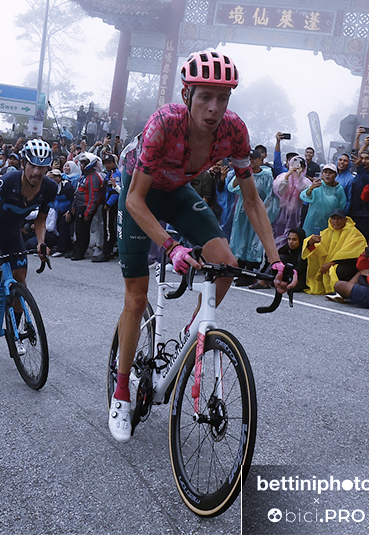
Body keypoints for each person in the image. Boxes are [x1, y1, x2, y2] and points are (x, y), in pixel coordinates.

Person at [109, 49, 294, 443]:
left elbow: (251, 200)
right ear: (186, 94)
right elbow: (135, 200)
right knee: (136, 298)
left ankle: (191, 337)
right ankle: (121, 392)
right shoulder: (164, 123)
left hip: (177, 192)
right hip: (138, 194)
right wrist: (172, 247)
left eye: (222, 98)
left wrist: (276, 260)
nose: (214, 108)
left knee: (225, 263)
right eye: (205, 97)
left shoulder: (234, 131)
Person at [0, 139, 56, 327]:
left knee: (20, 280)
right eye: (32, 165)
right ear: (23, 163)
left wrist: (41, 243)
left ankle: (15, 331)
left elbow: (40, 220)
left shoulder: (50, 187)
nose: (37, 172)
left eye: (42, 167)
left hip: (12, 233)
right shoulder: (7, 182)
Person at [228, 150, 278, 282]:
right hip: (242, 210)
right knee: (240, 238)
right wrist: (240, 175)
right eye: (249, 159)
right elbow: (231, 187)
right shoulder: (244, 173)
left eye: (254, 158)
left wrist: (264, 213)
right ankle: (239, 269)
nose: (251, 161)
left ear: (261, 160)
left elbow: (270, 196)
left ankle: (250, 272)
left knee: (255, 240)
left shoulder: (267, 176)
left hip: (258, 211)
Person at [301, 210, 367, 295]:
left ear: (345, 220)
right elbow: (316, 248)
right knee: (308, 259)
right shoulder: (327, 232)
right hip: (329, 263)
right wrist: (311, 243)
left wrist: (332, 263)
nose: (336, 221)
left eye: (339, 218)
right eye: (333, 218)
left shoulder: (354, 233)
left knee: (340, 270)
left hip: (347, 264)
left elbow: (352, 254)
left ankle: (340, 289)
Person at [299, 163, 347, 236]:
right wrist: (310, 189)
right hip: (312, 222)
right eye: (325, 172)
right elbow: (305, 196)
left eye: (331, 173)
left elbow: (341, 206)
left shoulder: (339, 189)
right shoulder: (317, 185)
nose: (328, 175)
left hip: (329, 222)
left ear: (335, 175)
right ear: (322, 174)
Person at [272, 154, 308, 248]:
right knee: (275, 236)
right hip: (279, 213)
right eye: (294, 164)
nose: (296, 167)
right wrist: (288, 175)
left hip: (295, 216)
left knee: (290, 239)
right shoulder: (282, 177)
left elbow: (304, 193)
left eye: (300, 165)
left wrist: (299, 178)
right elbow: (280, 191)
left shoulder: (305, 181)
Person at [93, 154, 121, 262]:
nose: (107, 165)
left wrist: (108, 204)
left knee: (108, 229)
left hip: (110, 206)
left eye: (109, 163)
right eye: (105, 163)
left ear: (114, 163)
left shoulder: (115, 174)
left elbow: (115, 191)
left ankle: (106, 253)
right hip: (106, 203)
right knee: (107, 227)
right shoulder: (108, 173)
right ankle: (109, 250)